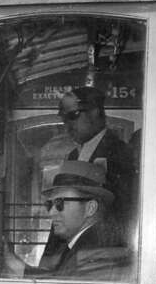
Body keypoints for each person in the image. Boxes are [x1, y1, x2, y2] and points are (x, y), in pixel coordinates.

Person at [56, 86, 138, 241]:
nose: (67, 124)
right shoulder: (73, 156)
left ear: (94, 111)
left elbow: (123, 213)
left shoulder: (119, 153)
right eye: (64, 118)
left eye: (73, 115)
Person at [33, 160, 131, 277]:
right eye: (50, 204)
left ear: (90, 208)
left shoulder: (93, 254)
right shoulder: (79, 246)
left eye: (60, 203)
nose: (51, 213)